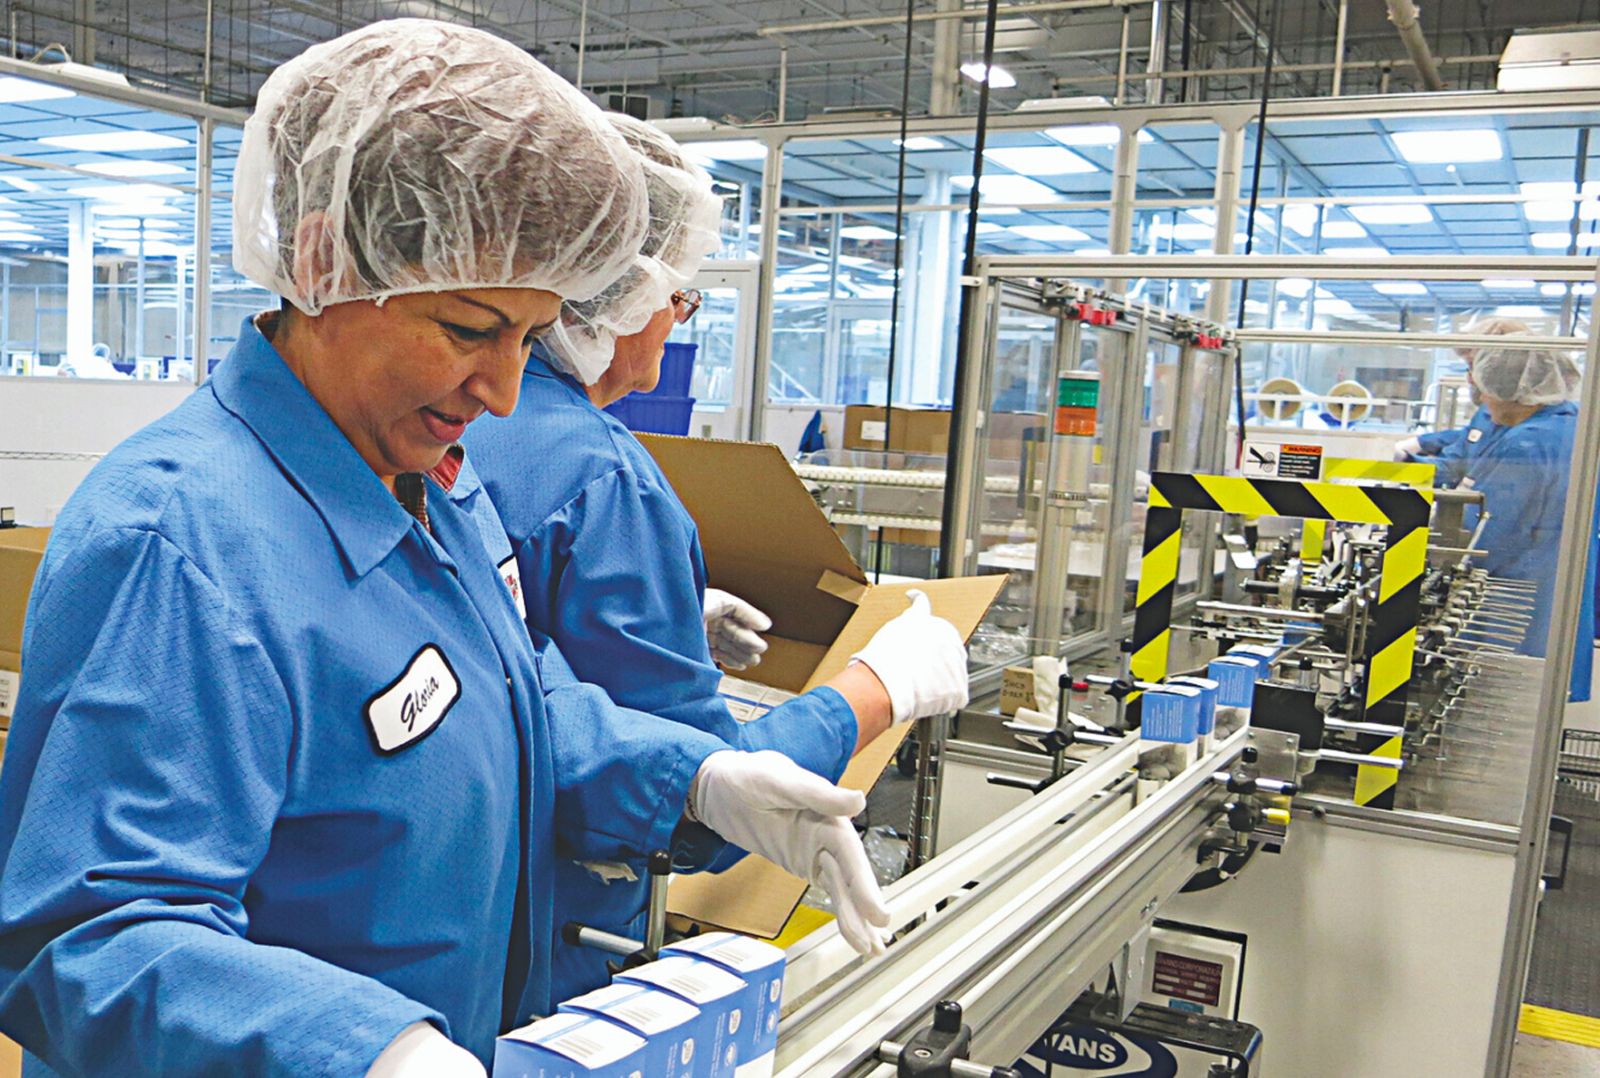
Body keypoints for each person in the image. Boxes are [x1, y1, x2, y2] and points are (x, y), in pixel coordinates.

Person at [0, 22, 898, 1077]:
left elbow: (510, 703)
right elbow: (88, 937)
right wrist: (370, 1052)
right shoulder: (185, 541)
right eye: (470, 330)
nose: (505, 390)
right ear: (327, 262)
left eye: (529, 336)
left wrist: (693, 778)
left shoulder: (431, 486)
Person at [464, 114, 970, 1003]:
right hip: (543, 949)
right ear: (621, 294)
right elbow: (703, 809)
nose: (676, 323)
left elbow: (504, 659)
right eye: (680, 299)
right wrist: (877, 690)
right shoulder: (605, 477)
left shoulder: (451, 426)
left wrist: (667, 617)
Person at [1459, 345, 1596, 699]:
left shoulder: (1526, 443)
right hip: (1556, 589)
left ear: (1515, 393)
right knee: (1538, 710)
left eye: (1486, 389)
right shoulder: (1569, 425)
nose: (1484, 401)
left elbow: (1492, 533)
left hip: (1518, 598)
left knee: (1501, 711)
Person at [1395, 317, 1530, 485]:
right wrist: (1410, 464)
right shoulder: (1488, 412)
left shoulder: (1536, 427)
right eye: (1469, 367)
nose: (1471, 378)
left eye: (1476, 366)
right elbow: (1455, 462)